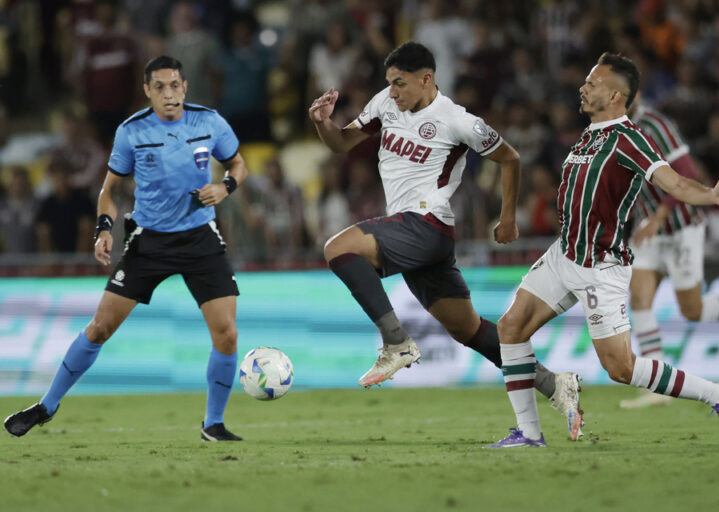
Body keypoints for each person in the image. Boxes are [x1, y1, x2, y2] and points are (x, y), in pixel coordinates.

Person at [309, 41, 584, 441]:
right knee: (468, 330)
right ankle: (554, 385)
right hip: (416, 234)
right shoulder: (385, 103)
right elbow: (341, 143)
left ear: (427, 79)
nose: (393, 91)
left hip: (426, 223)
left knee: (338, 248)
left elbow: (510, 157)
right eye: (389, 82)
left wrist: (507, 217)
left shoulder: (457, 120)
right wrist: (322, 123)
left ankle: (396, 343)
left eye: (400, 83)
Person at [487, 53, 719, 449]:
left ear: (614, 95)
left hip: (599, 265)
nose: (582, 87)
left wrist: (711, 195)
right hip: (564, 255)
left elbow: (676, 183)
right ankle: (529, 433)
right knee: (510, 327)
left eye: (592, 83)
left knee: (621, 368)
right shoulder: (589, 135)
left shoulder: (629, 138)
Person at [4, 56, 249, 442]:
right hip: (150, 241)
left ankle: (213, 424)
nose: (169, 94)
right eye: (160, 87)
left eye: (175, 85)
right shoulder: (131, 131)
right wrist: (104, 229)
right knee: (100, 328)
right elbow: (109, 190)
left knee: (227, 334)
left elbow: (238, 164)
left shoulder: (210, 122)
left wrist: (226, 187)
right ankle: (46, 406)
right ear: (147, 90)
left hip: (200, 238)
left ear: (185, 87)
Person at [620, 94, 719, 409]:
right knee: (639, 300)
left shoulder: (655, 126)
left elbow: (688, 171)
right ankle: (659, 385)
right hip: (648, 230)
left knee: (693, 310)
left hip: (682, 227)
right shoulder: (614, 131)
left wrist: (659, 216)